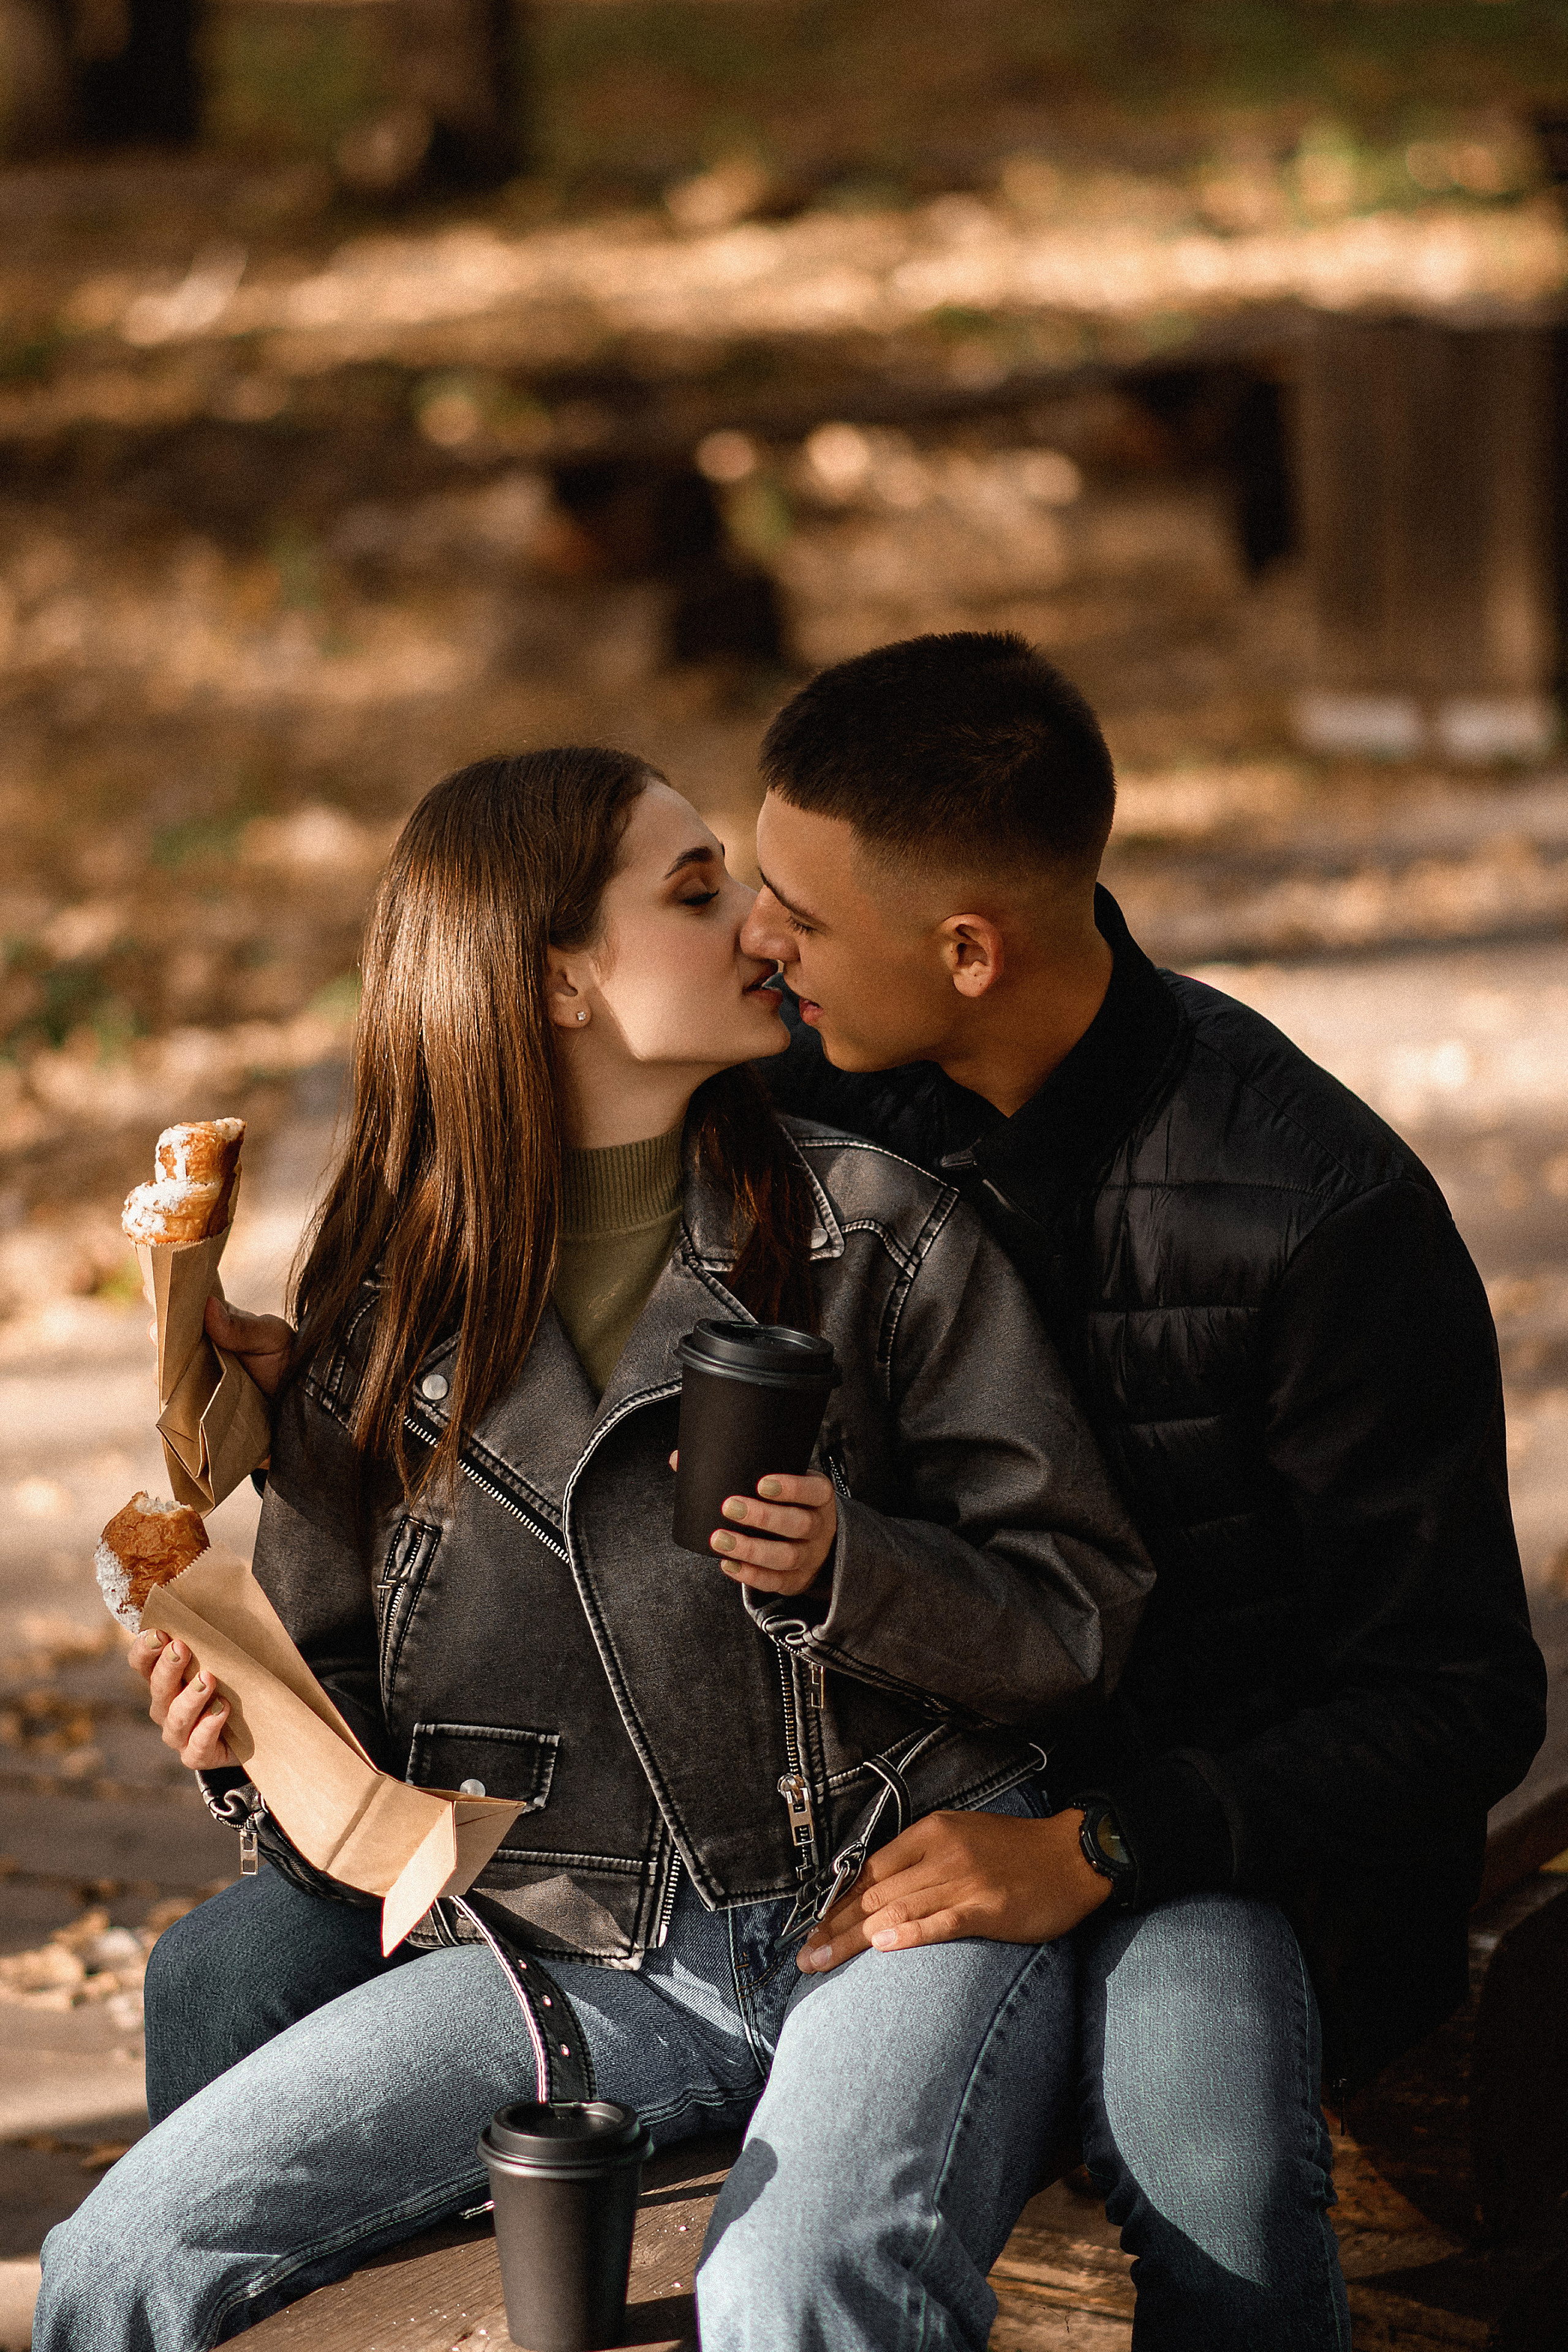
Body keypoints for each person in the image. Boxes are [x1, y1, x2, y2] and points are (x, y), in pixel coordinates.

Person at [35, 747, 1153, 2352]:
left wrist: (857, 1566)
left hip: (901, 1907)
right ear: (556, 981)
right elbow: (357, 1743)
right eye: (698, 894)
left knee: (791, 2288)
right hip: (567, 1946)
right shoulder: (386, 1300)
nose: (763, 929)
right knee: (119, 2260)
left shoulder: (883, 1238)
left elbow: (1082, 1612)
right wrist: (243, 1745)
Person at [741, 630, 1547, 2349]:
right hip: (900, 1818)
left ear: (968, 949)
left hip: (1219, 1852)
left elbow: (1459, 1697)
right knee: (808, 2258)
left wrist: (1107, 1844)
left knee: (1224, 2182)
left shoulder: (1317, 1211)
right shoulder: (805, 1109)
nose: (761, 941)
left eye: (798, 915)